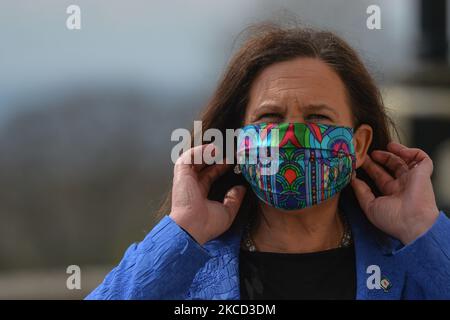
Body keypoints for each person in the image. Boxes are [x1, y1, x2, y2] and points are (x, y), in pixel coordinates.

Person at [86, 24, 450, 300]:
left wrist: (421, 226)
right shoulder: (186, 268)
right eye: (270, 118)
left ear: (358, 145)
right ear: (237, 142)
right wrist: (182, 231)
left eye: (318, 118)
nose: (291, 138)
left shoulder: (408, 267)